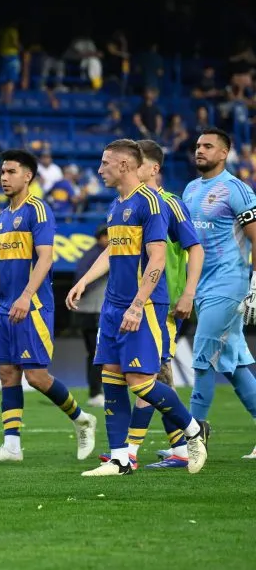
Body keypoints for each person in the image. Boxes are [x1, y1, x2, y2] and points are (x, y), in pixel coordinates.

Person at [67, 139, 208, 476]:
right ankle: (120, 459)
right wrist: (85, 280)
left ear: (124, 166)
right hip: (113, 305)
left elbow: (157, 257)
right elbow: (112, 252)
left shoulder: (152, 203)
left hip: (142, 306)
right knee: (111, 378)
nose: (99, 170)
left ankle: (192, 431)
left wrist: (138, 304)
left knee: (142, 382)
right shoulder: (117, 205)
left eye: (105, 164)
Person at [0, 150, 97, 464]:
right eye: (2, 172)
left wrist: (27, 294)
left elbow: (45, 257)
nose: (4, 177)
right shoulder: (3, 217)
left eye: (11, 172)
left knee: (36, 377)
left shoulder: (37, 210)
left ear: (27, 176)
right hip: (6, 307)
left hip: (33, 304)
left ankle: (82, 419)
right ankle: (11, 445)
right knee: (6, 372)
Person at [115, 140, 204, 469]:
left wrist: (188, 292)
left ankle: (134, 452)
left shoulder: (169, 203)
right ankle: (180, 446)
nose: (130, 170)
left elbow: (195, 248)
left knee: (147, 377)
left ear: (152, 169)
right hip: (138, 301)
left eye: (137, 165)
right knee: (152, 376)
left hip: (162, 303)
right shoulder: (129, 203)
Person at [182, 128, 256, 459]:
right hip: (201, 285)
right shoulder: (190, 189)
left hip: (230, 283)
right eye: (198, 146)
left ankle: (193, 439)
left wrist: (254, 284)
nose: (200, 150)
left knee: (202, 356)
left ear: (224, 153)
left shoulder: (237, 190)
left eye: (208, 146)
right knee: (234, 363)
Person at [72, 225, 109, 407]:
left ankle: (96, 392)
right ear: (102, 237)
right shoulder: (98, 255)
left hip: (88, 311)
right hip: (94, 310)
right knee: (97, 354)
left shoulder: (89, 254)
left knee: (94, 353)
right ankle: (96, 392)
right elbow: (84, 280)